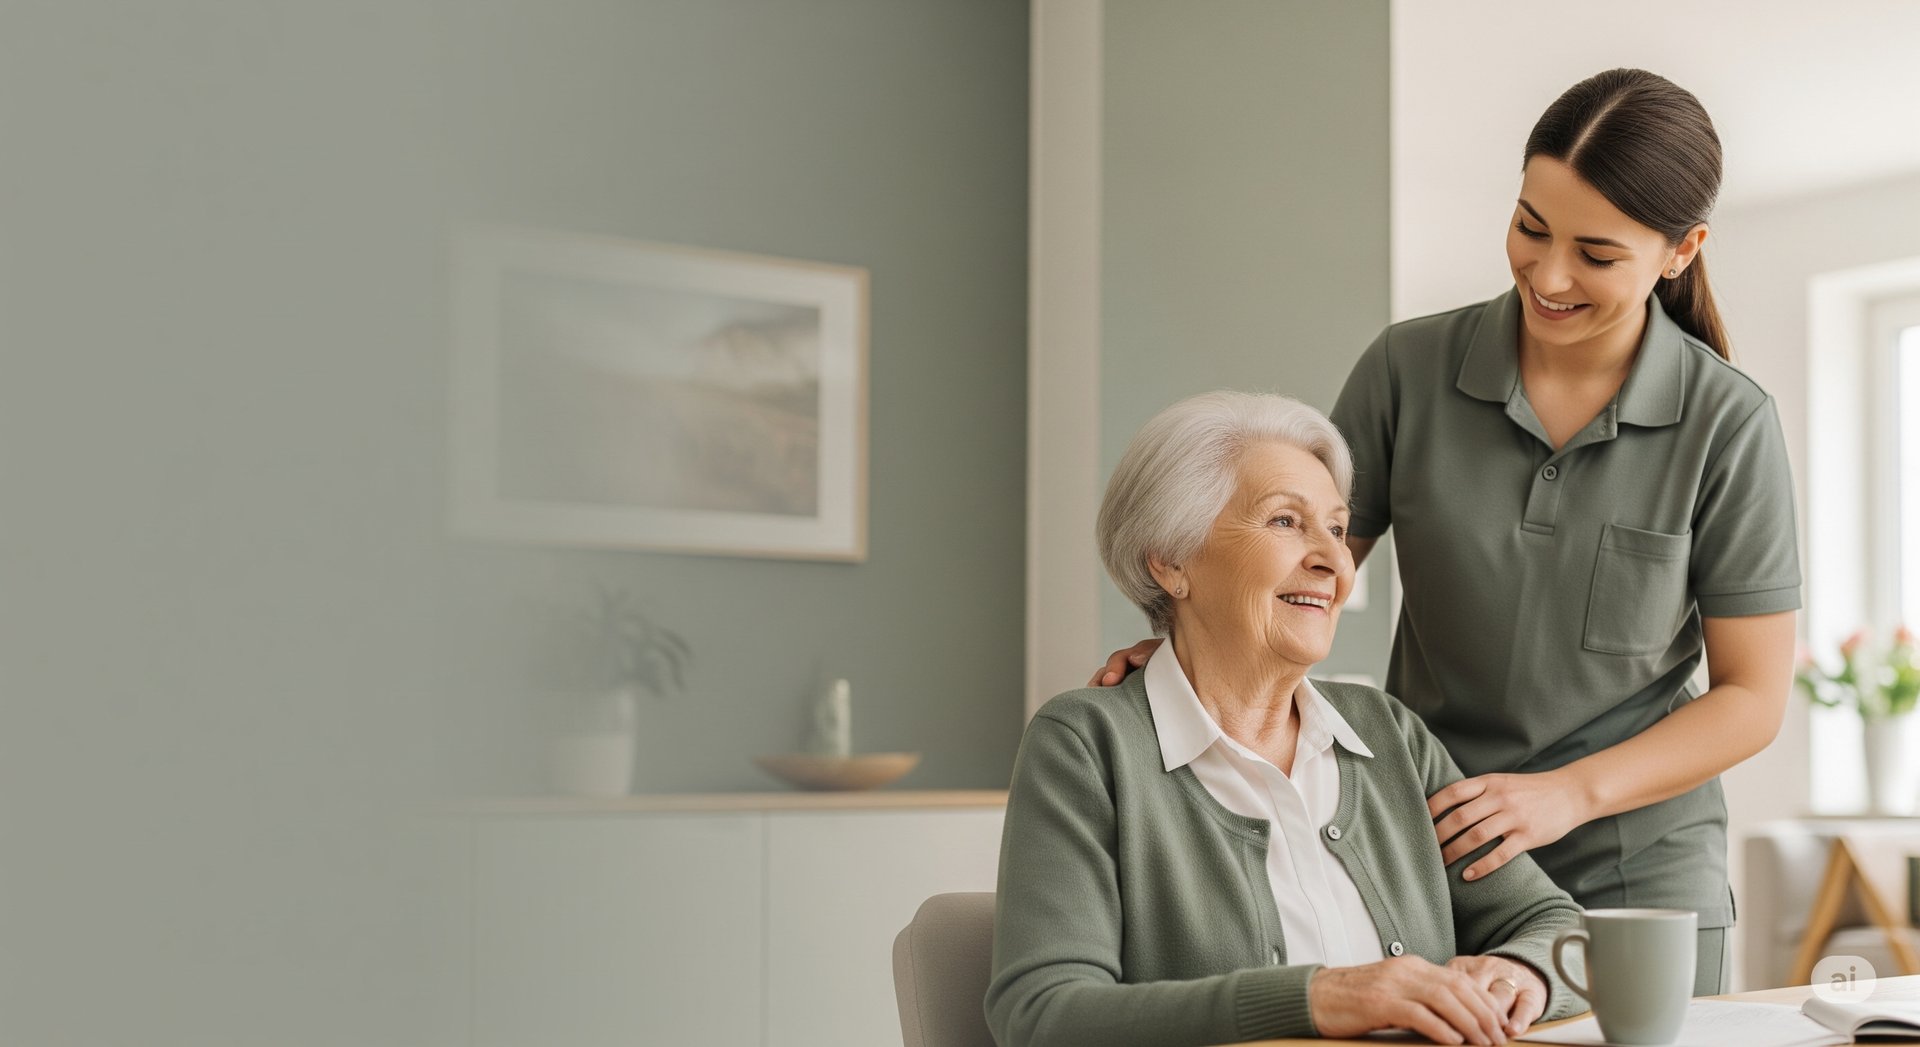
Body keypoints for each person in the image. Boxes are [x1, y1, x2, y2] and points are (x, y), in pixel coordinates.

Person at [1091, 69, 1800, 996]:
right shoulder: (1407, 369)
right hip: (1436, 844)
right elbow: (1306, 556)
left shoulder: (1727, 423)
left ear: (1680, 251)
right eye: (1530, 227)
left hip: (1640, 876)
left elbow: (1752, 696)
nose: (1548, 275)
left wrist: (1567, 793)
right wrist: (1195, 643)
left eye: (1595, 252)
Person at [989, 391, 1588, 1047]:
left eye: (1335, 528)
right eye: (1284, 521)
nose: (1334, 560)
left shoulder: (1390, 735)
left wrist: (1517, 972)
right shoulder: (1085, 746)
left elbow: (1559, 928)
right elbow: (1043, 1015)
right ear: (1171, 559)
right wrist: (1319, 997)